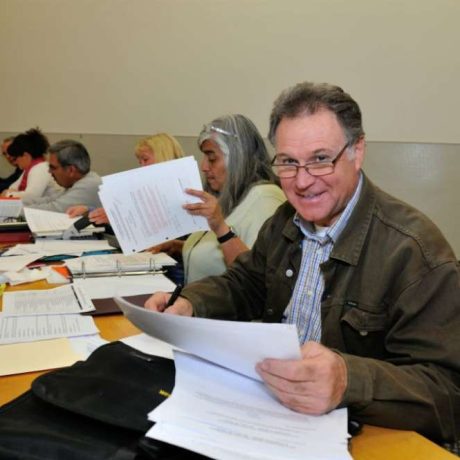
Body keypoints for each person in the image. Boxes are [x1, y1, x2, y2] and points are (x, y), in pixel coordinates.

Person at [145, 82, 460, 449]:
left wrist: (347, 380)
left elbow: (448, 392)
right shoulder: (283, 220)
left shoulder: (414, 251)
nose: (303, 180)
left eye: (321, 158)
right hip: (270, 415)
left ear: (357, 151)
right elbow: (246, 282)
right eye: (289, 162)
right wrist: (190, 303)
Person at [153, 114, 286, 283]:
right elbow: (215, 255)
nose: (204, 167)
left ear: (238, 159)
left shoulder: (265, 199)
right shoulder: (229, 197)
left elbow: (256, 276)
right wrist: (178, 247)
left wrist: (221, 228)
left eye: (212, 158)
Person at [67, 132, 185, 223]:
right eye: (140, 162)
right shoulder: (146, 187)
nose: (142, 166)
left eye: (145, 160)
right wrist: (90, 212)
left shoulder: (182, 191)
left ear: (163, 157)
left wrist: (116, 217)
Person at [21, 140, 102, 212]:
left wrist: (16, 211)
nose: (49, 171)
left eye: (53, 167)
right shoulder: (81, 180)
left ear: (71, 170)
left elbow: (53, 209)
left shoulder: (89, 186)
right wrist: (14, 204)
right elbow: (49, 200)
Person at [2, 128, 60, 199]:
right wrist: (11, 193)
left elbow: (30, 196)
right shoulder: (30, 167)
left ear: (25, 155)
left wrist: (9, 194)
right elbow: (12, 187)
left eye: (16, 158)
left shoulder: (41, 168)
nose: (16, 162)